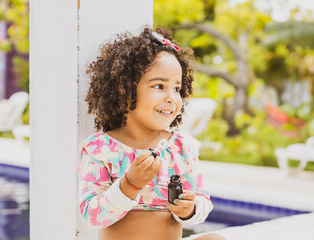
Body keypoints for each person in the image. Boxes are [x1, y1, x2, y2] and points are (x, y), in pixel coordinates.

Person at [78, 27, 225, 240]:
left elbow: (202, 200)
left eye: (176, 89)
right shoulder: (102, 149)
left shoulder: (182, 148)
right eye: (159, 86)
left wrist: (190, 209)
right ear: (125, 91)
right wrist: (129, 184)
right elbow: (91, 216)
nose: (172, 98)